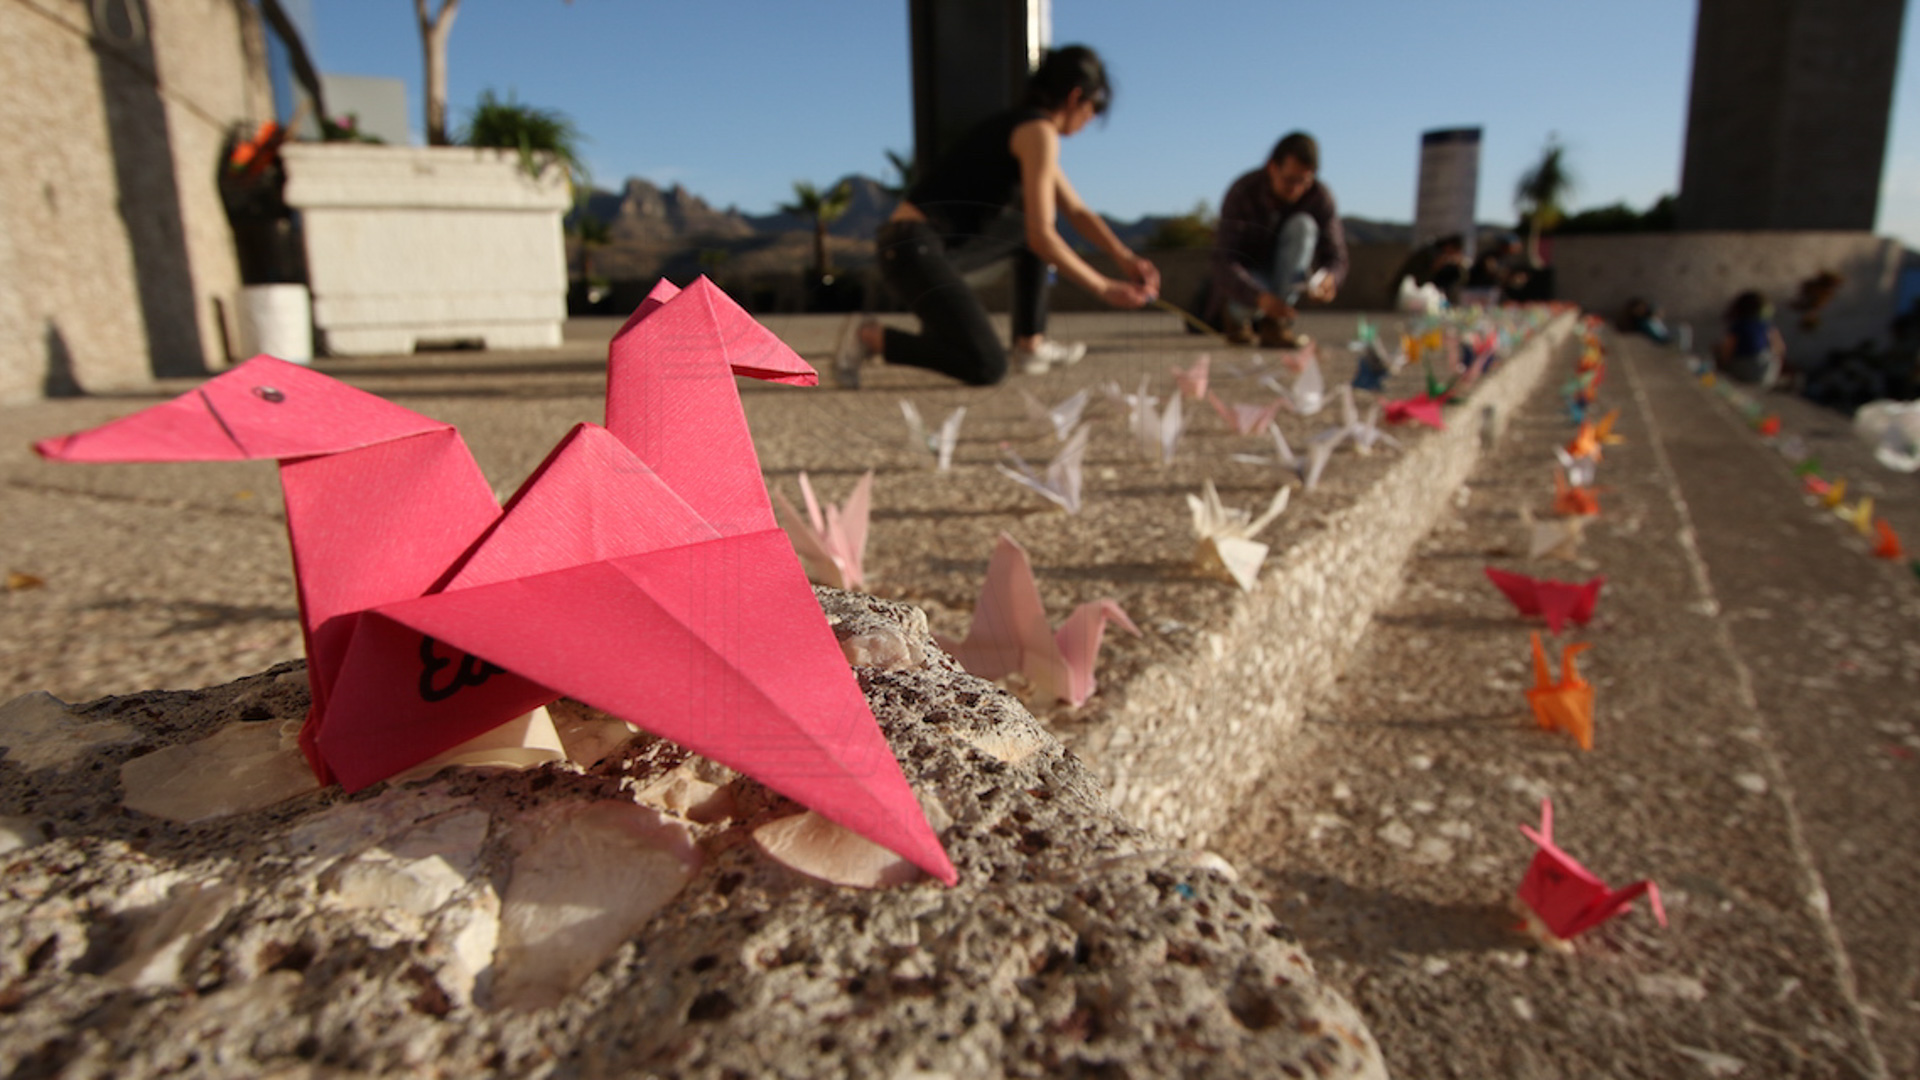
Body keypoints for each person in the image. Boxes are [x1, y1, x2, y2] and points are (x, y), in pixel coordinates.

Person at [838, 45, 1159, 387]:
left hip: (925, 246)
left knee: (1019, 232)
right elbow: (1043, 235)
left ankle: (1030, 344)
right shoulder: (1038, 132)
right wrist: (1104, 287)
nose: (1091, 119)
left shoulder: (1026, 127)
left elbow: (1076, 211)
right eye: (1094, 109)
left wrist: (1124, 257)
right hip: (910, 248)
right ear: (1076, 97)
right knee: (987, 365)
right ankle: (870, 337)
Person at [1208, 132, 1348, 348]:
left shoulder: (1319, 197)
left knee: (1304, 225)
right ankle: (1236, 319)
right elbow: (1224, 259)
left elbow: (1337, 256)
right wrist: (1258, 296)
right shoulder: (1244, 191)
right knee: (1244, 303)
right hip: (1250, 279)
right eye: (1289, 180)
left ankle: (1275, 324)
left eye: (1304, 181)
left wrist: (1330, 279)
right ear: (1272, 167)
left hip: (1289, 280)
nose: (1296, 189)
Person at [1716, 290, 1786, 388]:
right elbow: (1780, 348)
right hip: (1765, 373)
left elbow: (1727, 350)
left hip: (1741, 370)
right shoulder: (1767, 327)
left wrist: (1721, 363)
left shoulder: (1738, 326)